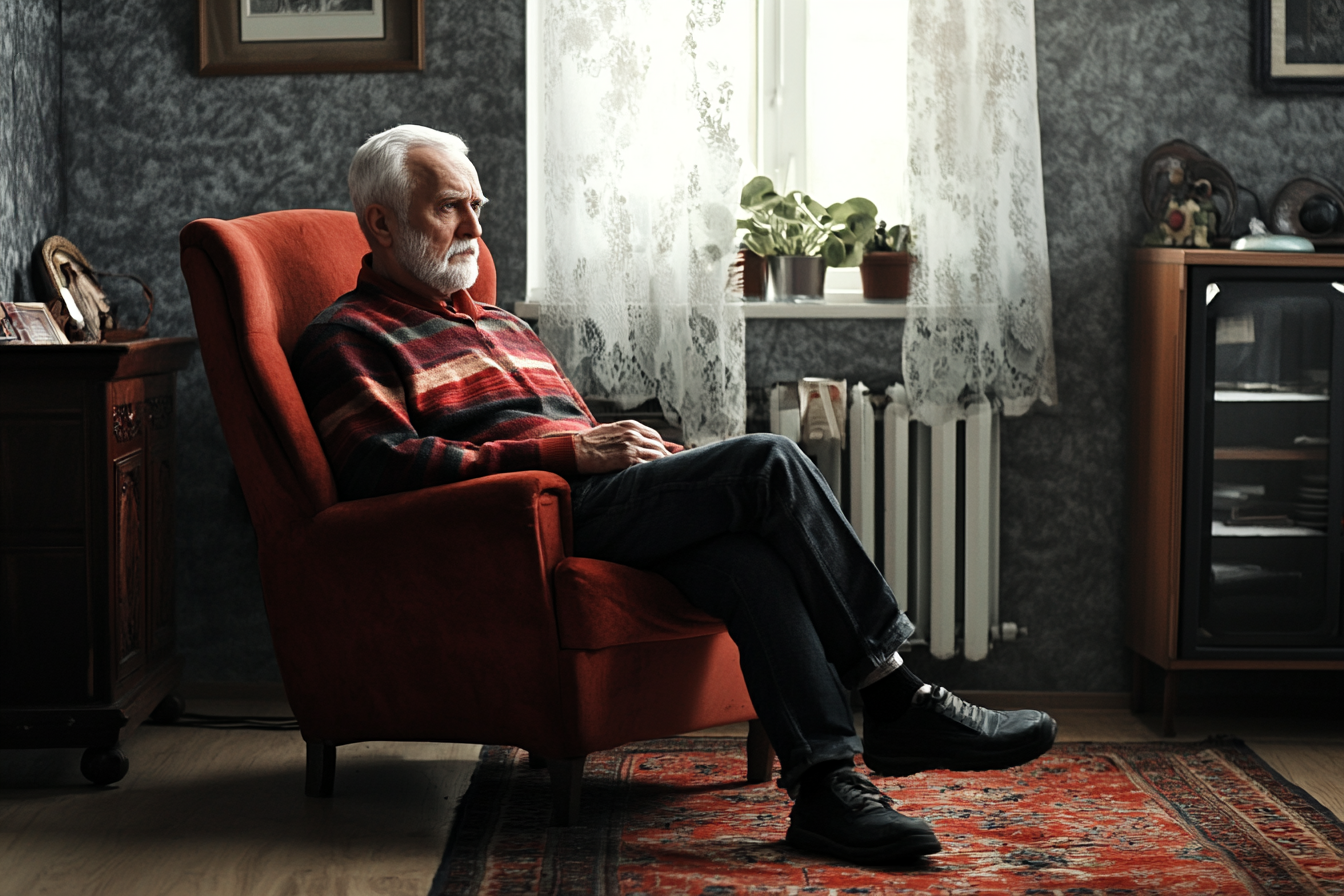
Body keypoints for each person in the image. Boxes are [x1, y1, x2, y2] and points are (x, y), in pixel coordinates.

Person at [292, 124, 1057, 865]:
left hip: (591, 497)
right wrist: (568, 450)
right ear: (382, 222)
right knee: (768, 463)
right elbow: (383, 467)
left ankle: (829, 788)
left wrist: (653, 458)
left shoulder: (499, 322)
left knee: (746, 560)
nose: (474, 225)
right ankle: (896, 693)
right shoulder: (347, 335)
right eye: (449, 206)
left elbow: (578, 432)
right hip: (518, 523)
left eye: (479, 206)